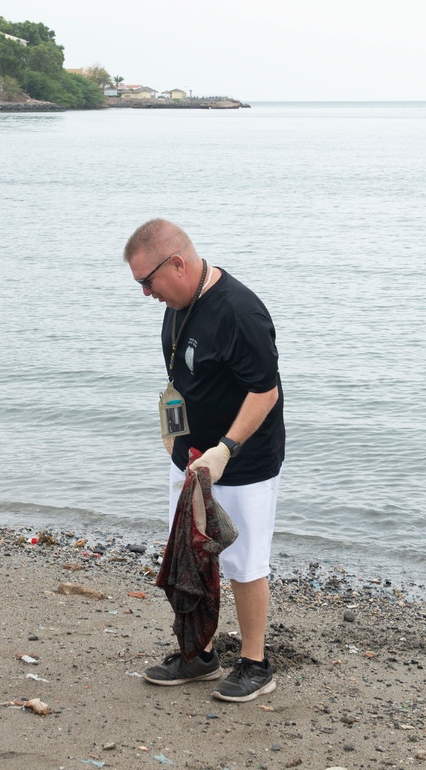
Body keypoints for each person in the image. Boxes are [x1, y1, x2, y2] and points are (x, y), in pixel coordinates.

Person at [124, 219, 285, 703]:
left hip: (243, 460)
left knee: (243, 560)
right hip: (190, 458)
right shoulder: (177, 303)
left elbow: (266, 391)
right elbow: (180, 380)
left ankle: (256, 663)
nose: (145, 293)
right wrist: (173, 439)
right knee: (193, 554)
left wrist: (224, 449)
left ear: (177, 262)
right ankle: (200, 654)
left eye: (146, 281)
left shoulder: (239, 312)